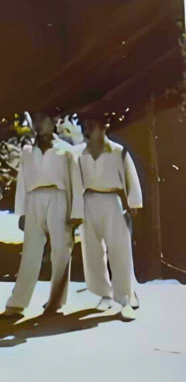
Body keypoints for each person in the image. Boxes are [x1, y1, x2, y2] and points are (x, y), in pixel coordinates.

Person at [3, 109, 80, 316]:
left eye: (43, 120)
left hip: (59, 198)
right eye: (35, 120)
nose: (38, 125)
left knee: (61, 250)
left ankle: (56, 302)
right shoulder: (28, 151)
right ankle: (17, 302)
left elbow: (75, 182)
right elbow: (22, 182)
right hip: (34, 199)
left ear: (53, 121)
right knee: (31, 251)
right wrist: (21, 212)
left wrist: (76, 211)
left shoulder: (66, 150)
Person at [76, 111, 143, 318]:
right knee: (92, 250)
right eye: (88, 124)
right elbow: (75, 182)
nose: (90, 128)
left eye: (94, 124)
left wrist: (134, 202)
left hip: (112, 201)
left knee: (119, 248)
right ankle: (103, 293)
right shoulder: (80, 153)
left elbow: (130, 177)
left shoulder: (118, 152)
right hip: (89, 201)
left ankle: (124, 296)